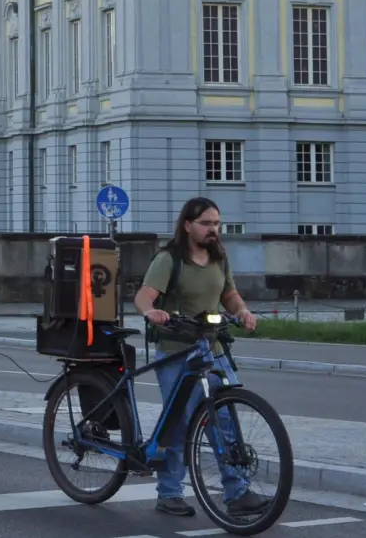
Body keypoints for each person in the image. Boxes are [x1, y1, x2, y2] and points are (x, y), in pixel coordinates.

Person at [135, 197, 268, 519]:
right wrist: (151, 312)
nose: (213, 230)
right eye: (206, 224)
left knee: (224, 419)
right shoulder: (169, 259)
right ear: (187, 225)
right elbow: (144, 295)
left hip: (213, 348)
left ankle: (236, 493)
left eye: (216, 224)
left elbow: (230, 295)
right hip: (177, 350)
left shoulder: (219, 258)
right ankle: (169, 493)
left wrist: (243, 311)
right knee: (179, 422)